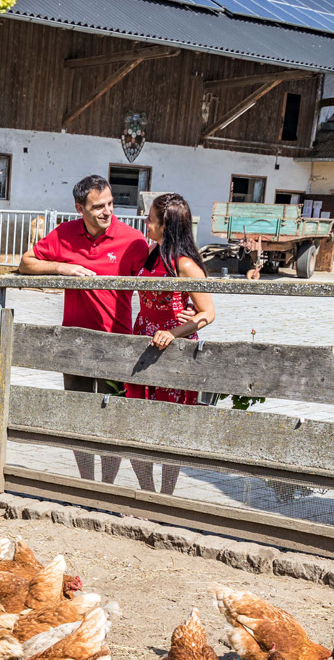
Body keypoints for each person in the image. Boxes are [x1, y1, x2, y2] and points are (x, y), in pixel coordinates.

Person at [19, 174, 150, 483]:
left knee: (112, 421)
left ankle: (107, 487)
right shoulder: (64, 234)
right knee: (77, 419)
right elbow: (26, 262)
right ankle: (86, 485)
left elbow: (154, 287)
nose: (107, 212)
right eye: (98, 207)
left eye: (110, 204)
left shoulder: (133, 241)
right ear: (80, 208)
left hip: (117, 345)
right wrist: (61, 267)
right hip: (74, 344)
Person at [125, 192, 216, 496]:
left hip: (173, 350)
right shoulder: (151, 253)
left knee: (168, 430)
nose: (145, 222)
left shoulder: (186, 264)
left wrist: (175, 332)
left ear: (166, 224)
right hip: (143, 343)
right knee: (137, 427)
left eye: (150, 218)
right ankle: (148, 495)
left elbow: (208, 312)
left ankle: (165, 499)